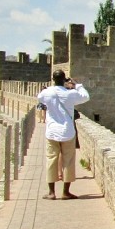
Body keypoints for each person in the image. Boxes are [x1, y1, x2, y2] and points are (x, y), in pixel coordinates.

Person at [37, 69, 90, 200]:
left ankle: (51, 192)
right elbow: (85, 96)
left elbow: (40, 97)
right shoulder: (70, 94)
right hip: (67, 131)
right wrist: (76, 85)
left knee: (51, 160)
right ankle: (66, 192)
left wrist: (53, 86)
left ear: (53, 79)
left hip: (51, 132)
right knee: (69, 161)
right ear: (65, 79)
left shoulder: (47, 93)